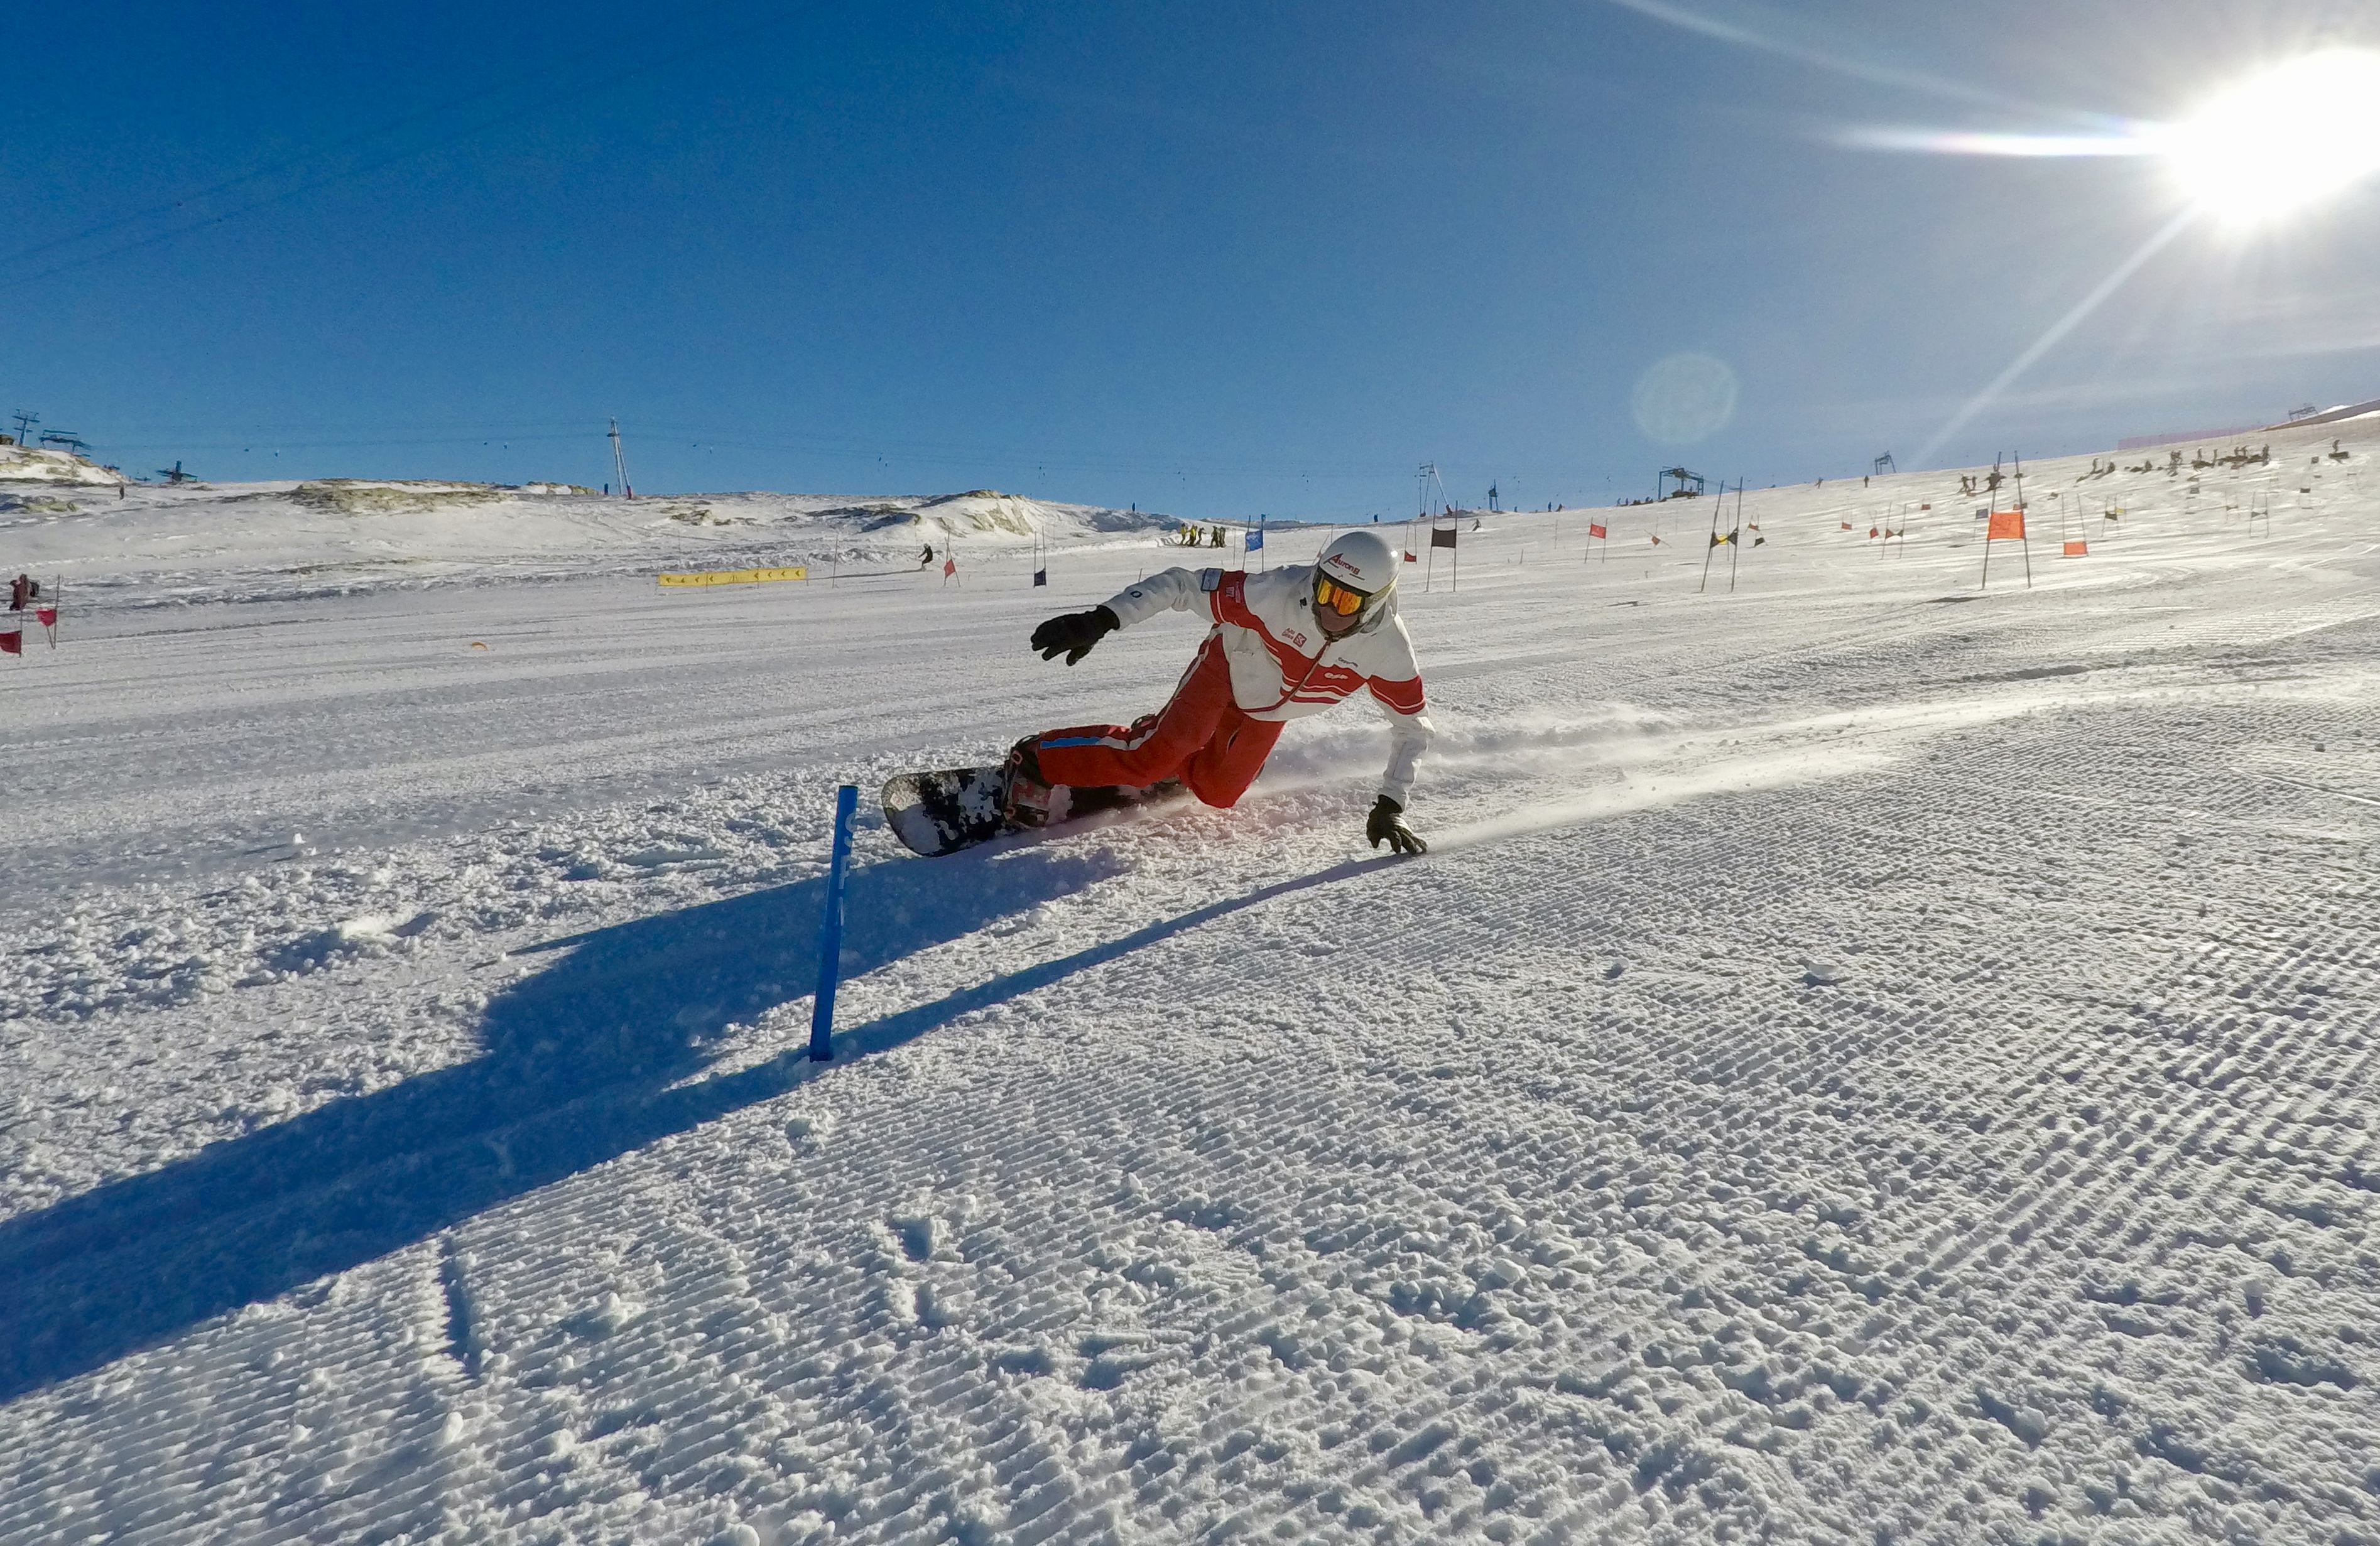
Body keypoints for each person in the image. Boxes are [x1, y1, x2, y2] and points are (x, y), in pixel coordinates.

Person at [1007, 529, 1430, 853]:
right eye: (1324, 590)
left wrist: (1391, 804)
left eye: (1345, 602)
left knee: (1219, 793)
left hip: (1269, 710)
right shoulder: (1276, 592)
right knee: (1148, 759)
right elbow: (1182, 585)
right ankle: (1038, 759)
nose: (1326, 608)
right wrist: (1102, 619)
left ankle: (1170, 745)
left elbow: (1412, 729)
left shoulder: (1388, 651)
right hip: (1228, 665)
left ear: (1375, 601)